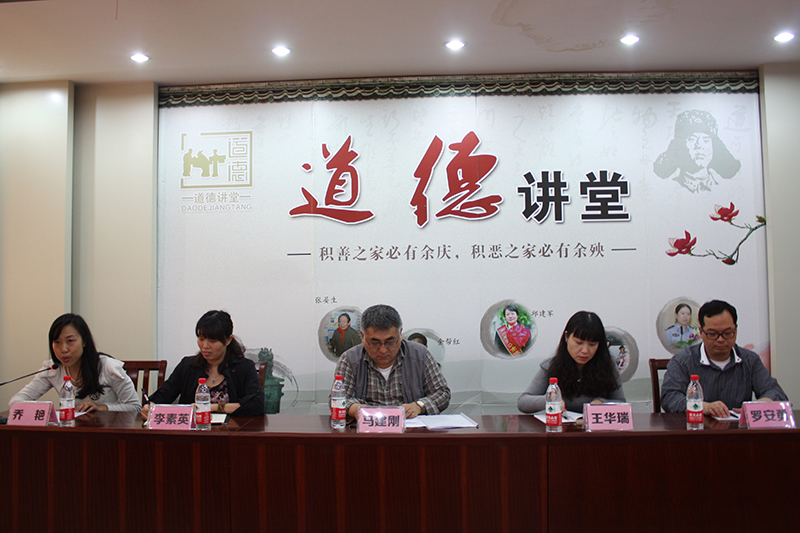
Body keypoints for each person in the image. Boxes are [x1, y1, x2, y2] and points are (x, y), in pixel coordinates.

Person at [660, 300, 788, 417]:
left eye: (727, 333)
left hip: (738, 431)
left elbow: (775, 392)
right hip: (697, 429)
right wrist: (702, 407)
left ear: (735, 331)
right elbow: (670, 398)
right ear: (701, 332)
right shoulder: (683, 361)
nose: (720, 339)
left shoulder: (750, 360)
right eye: (712, 334)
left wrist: (757, 406)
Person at [334, 304, 450, 419]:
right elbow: (338, 399)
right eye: (375, 342)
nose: (383, 350)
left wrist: (418, 406)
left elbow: (442, 393)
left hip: (409, 427)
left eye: (390, 342)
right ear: (363, 336)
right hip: (368, 426)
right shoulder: (350, 359)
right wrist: (356, 409)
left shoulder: (420, 355)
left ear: (400, 334)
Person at [141, 310, 263, 419]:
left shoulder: (243, 367)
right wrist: (150, 406)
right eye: (201, 339)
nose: (205, 346)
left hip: (230, 432)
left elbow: (256, 405)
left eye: (212, 340)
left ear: (228, 340)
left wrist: (212, 408)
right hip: (194, 433)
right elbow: (162, 396)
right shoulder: (188, 366)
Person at [8, 313, 141, 412]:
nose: (63, 349)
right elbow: (15, 402)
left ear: (84, 341)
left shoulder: (107, 367)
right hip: (73, 432)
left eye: (70, 341)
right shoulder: (53, 370)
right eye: (57, 342)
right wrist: (45, 411)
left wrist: (102, 408)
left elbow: (135, 407)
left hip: (107, 433)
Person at [517, 311, 625, 413]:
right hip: (563, 425)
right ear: (566, 337)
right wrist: (550, 400)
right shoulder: (552, 366)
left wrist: (601, 402)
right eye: (579, 343)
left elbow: (621, 403)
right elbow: (523, 402)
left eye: (592, 344)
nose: (585, 350)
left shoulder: (608, 364)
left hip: (595, 426)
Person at [653, 110, 741, 193]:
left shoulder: (723, 188)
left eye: (706, 140)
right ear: (680, 145)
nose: (699, 146)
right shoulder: (669, 188)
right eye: (692, 139)